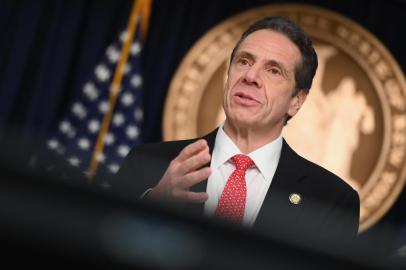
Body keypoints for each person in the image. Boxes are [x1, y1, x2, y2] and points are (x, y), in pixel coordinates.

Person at [112, 16, 360, 245]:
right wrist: (155, 204)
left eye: (273, 70)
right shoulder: (148, 163)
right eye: (244, 61)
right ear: (228, 75)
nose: (250, 76)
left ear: (297, 100)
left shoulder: (331, 201)